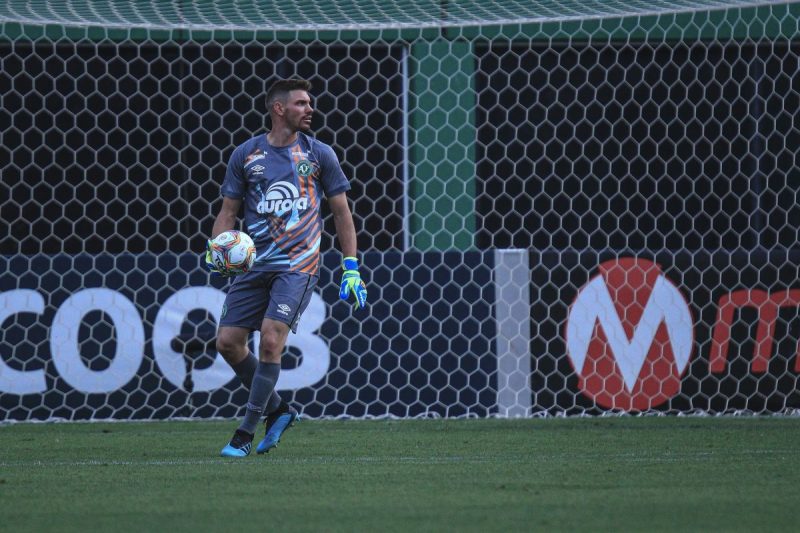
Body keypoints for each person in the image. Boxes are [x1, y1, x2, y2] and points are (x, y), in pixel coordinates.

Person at [204, 78, 367, 457]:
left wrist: (351, 268)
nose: (310, 109)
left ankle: (244, 433)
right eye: (301, 103)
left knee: (271, 339)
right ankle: (278, 410)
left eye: (309, 103)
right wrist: (218, 249)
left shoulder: (319, 153)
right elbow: (227, 213)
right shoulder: (246, 154)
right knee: (227, 343)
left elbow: (342, 212)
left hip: (298, 265)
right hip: (253, 265)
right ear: (279, 109)